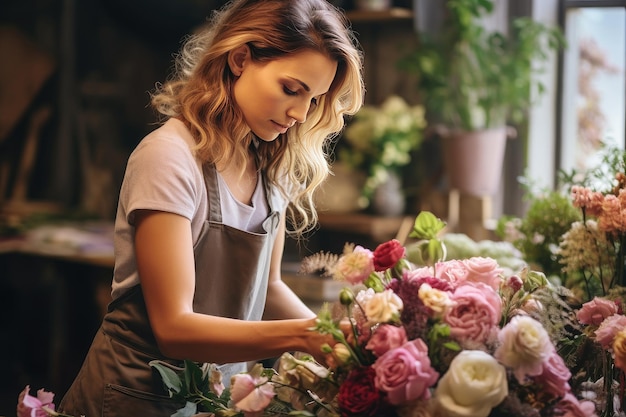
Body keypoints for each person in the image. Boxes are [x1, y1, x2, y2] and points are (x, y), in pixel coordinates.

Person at [58, 0, 364, 415]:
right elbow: (174, 328)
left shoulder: (269, 165)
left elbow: (268, 288)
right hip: (133, 398)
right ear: (240, 59)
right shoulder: (169, 157)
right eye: (291, 89)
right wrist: (302, 336)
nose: (299, 113)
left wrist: (336, 337)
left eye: (314, 99)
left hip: (211, 397)